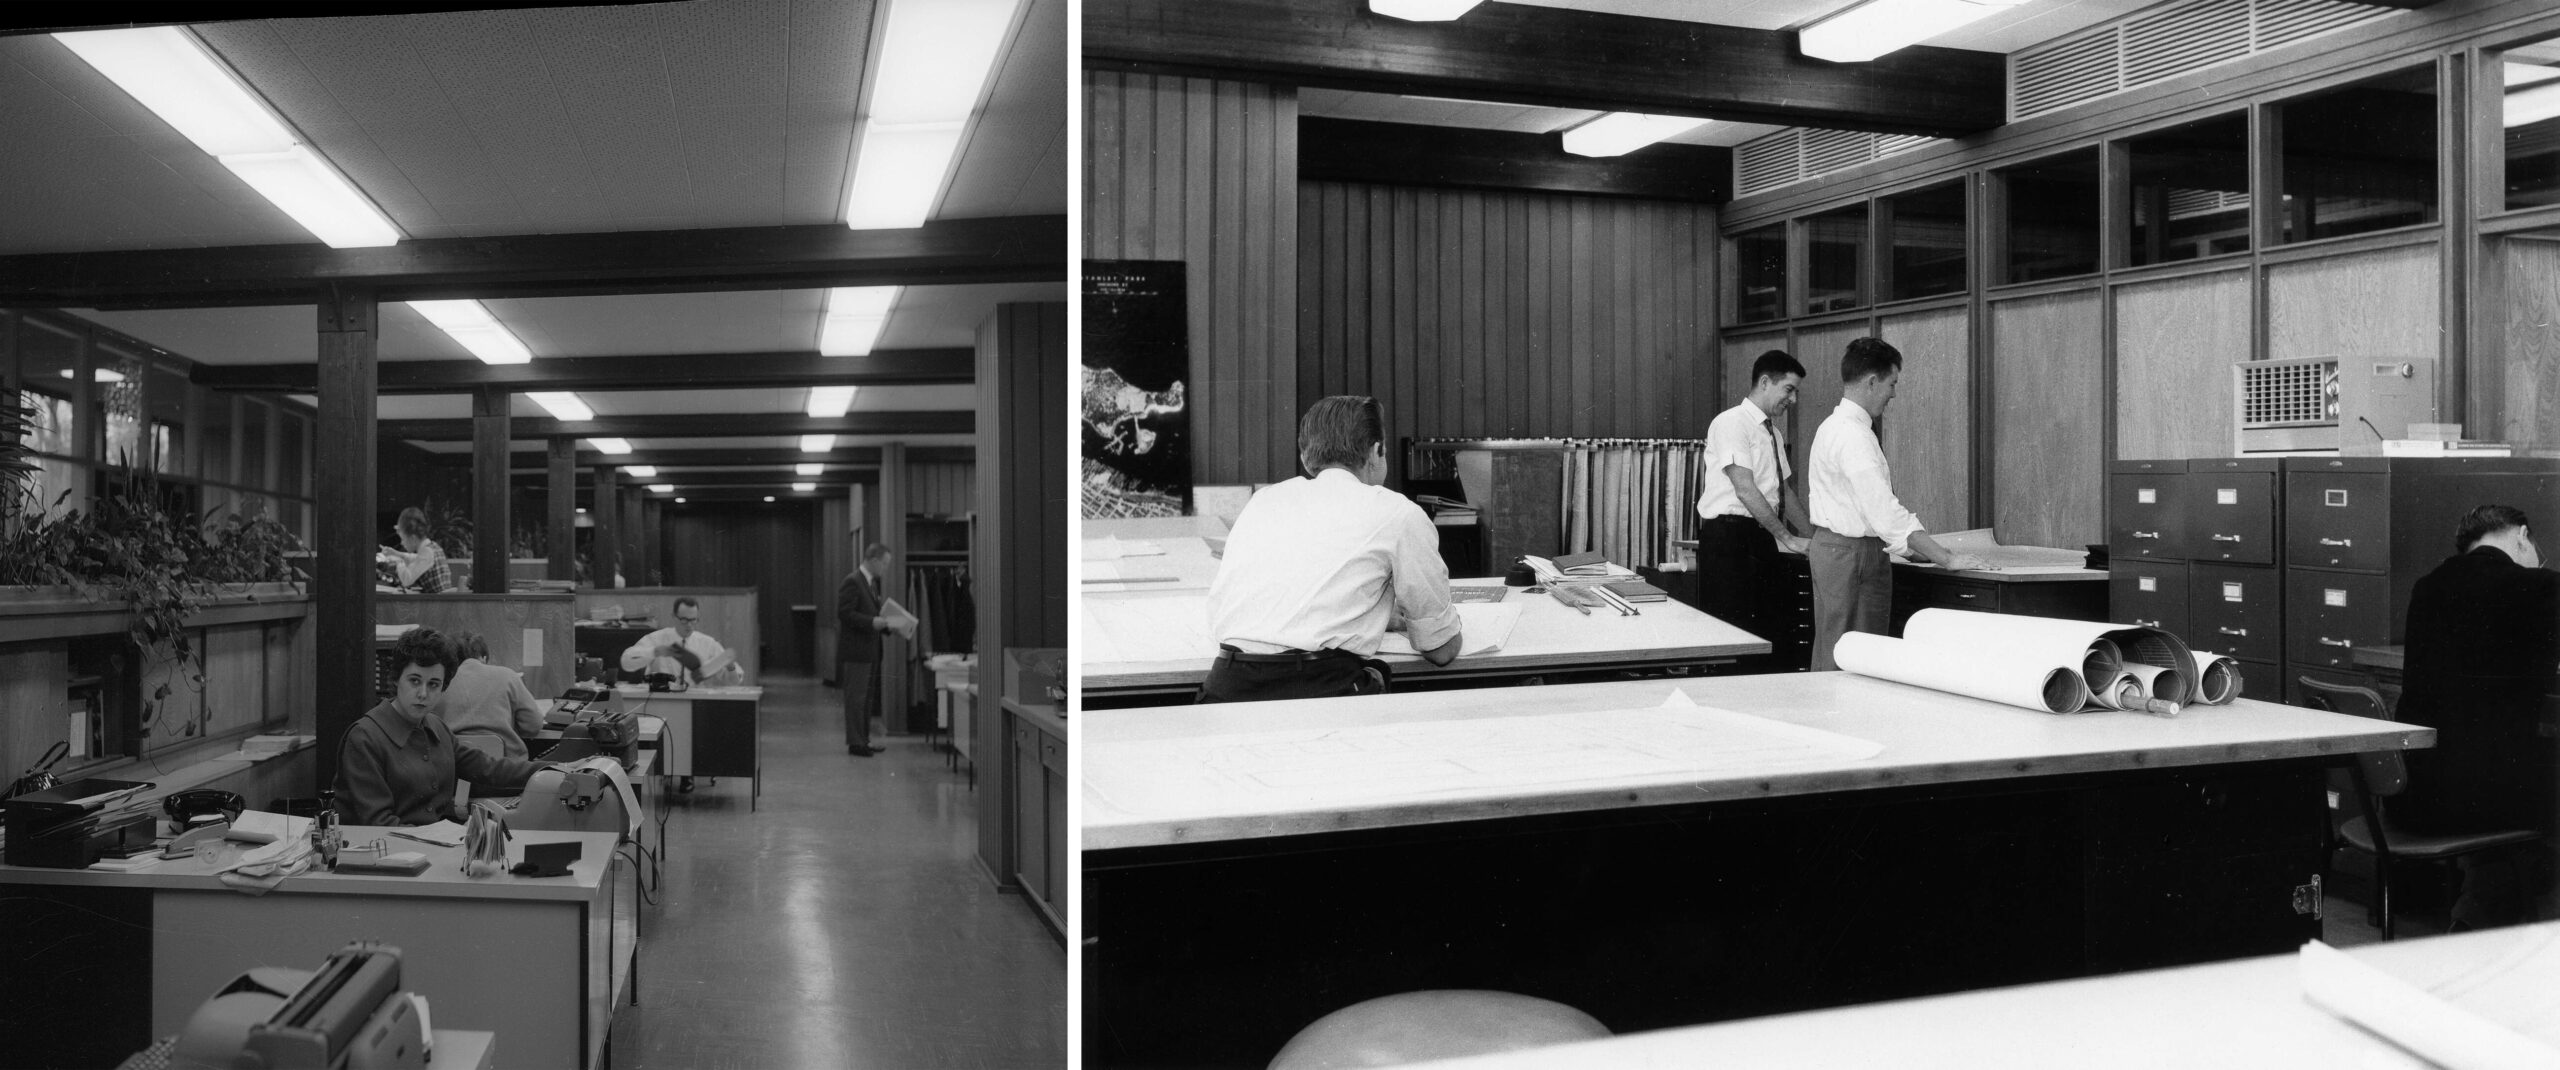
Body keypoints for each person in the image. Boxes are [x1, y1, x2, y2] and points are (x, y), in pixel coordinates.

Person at [1200, 395, 1462, 703]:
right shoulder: (1398, 513)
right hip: (1322, 692)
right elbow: (1440, 649)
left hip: (1226, 689)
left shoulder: (1263, 501)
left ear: (1305, 455)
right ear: (1376, 451)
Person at [2394, 504, 2560, 929]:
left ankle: (2483, 918)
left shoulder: (2426, 587)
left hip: (2416, 792)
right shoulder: (2534, 585)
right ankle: (2488, 924)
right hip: (2485, 801)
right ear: (2522, 536)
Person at [1805, 337, 1991, 672]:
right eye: (1892, 384)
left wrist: (1918, 549)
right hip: (1854, 556)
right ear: (1872, 382)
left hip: (1835, 550)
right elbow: (1886, 514)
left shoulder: (1831, 427)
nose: (1893, 394)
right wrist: (1946, 557)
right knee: (1857, 660)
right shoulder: (1855, 437)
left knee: (1834, 651)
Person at [335, 627, 543, 826]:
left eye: (433, 684)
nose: (423, 693)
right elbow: (378, 823)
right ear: (396, 679)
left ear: (444, 687)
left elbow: (489, 769)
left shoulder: (436, 726)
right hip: (388, 852)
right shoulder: (364, 737)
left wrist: (557, 769)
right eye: (415, 681)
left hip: (430, 845)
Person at [1697, 349, 1810, 654]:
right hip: (1728, 540)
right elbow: (1745, 490)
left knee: (1768, 635)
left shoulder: (1770, 431)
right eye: (1789, 389)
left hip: (1759, 538)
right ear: (1764, 382)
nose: (1793, 400)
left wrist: (1814, 538)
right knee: (1732, 639)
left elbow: (1784, 492)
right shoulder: (1731, 422)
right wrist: (1787, 537)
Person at [436, 630, 544, 762]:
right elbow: (533, 725)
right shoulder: (508, 676)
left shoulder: (438, 682)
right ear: (484, 658)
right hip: (506, 769)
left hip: (453, 766)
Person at [837, 542, 896, 757]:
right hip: (856, 653)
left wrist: (889, 625)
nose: (885, 569)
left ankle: (863, 739)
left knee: (866, 699)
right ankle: (855, 742)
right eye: (884, 564)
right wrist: (872, 622)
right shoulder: (852, 582)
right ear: (873, 561)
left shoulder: (870, 583)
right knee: (856, 699)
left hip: (869, 652)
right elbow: (845, 613)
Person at [619, 596, 742, 686]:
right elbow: (626, 662)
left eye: (693, 620)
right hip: (661, 700)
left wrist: (730, 667)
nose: (689, 625)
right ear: (673, 616)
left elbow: (735, 682)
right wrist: (654, 652)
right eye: (684, 620)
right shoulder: (657, 638)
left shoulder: (708, 643)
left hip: (695, 701)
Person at [380, 507, 453, 593]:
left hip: (437, 604)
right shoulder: (432, 547)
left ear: (413, 539)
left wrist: (398, 561)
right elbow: (416, 559)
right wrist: (397, 554)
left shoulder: (427, 552)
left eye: (403, 539)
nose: (401, 543)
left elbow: (406, 580)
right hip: (440, 601)